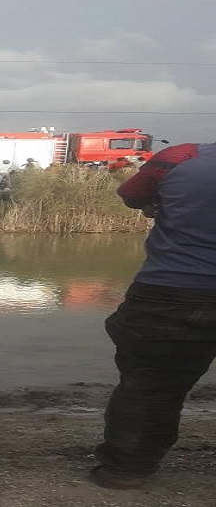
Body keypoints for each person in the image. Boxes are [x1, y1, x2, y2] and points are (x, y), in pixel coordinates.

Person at [92, 141, 216, 490]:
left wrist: (160, 204)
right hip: (172, 292)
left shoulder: (181, 156)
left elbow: (132, 195)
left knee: (150, 385)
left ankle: (126, 470)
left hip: (171, 292)